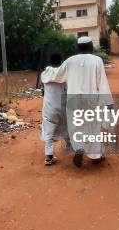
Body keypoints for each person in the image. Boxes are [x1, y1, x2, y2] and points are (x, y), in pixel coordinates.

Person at [44, 36, 113, 168]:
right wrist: (108, 103)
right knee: (93, 128)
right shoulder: (97, 60)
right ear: (90, 46)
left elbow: (57, 75)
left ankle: (79, 149)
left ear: (78, 47)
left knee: (76, 128)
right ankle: (95, 157)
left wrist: (46, 72)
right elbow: (102, 83)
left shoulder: (70, 61)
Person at [39, 53, 67, 166]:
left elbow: (42, 91)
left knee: (49, 132)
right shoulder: (64, 75)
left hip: (49, 107)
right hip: (62, 106)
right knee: (70, 129)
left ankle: (49, 157)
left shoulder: (44, 74)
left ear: (50, 61)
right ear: (61, 61)